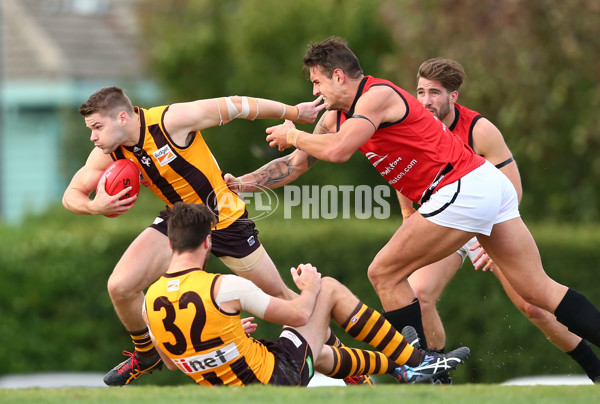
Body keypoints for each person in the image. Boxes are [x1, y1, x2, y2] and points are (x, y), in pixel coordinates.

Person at [226, 37, 600, 373]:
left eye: (316, 81)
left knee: (383, 273)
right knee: (538, 293)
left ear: (339, 76)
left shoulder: (377, 95)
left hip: (461, 188)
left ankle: (421, 369)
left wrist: (293, 134)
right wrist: (242, 184)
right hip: (477, 188)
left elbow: (339, 151)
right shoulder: (332, 119)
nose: (314, 89)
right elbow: (294, 165)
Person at [62, 86, 325, 386]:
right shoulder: (109, 151)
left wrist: (293, 112)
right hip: (180, 220)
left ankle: (343, 360)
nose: (93, 137)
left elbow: (237, 104)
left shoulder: (171, 121)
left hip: (223, 218)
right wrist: (94, 206)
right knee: (120, 286)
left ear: (122, 117)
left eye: (97, 127)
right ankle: (146, 354)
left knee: (281, 299)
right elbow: (71, 194)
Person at [394, 58, 600, 383]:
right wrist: (410, 225)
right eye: (420, 91)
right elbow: (404, 185)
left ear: (454, 97)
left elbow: (512, 189)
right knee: (419, 294)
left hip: (488, 219)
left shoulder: (479, 129)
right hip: (444, 222)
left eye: (434, 93)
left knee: (535, 306)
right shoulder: (410, 129)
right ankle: (435, 374)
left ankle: (595, 371)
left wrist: (492, 242)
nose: (425, 101)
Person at [142, 202, 469, 386]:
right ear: (208, 242)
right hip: (275, 382)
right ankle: (415, 361)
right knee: (327, 289)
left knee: (322, 356)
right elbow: (299, 315)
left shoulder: (150, 302)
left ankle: (399, 368)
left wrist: (226, 335)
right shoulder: (224, 286)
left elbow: (172, 362)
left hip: (241, 388)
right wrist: (310, 288)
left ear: (170, 243)